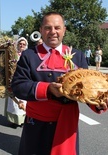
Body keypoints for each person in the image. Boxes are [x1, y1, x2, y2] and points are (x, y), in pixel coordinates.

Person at [11, 12, 108, 155]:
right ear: (41, 30)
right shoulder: (29, 55)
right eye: (48, 28)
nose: (53, 32)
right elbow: (18, 86)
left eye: (57, 27)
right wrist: (48, 89)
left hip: (67, 123)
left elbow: (88, 89)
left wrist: (99, 101)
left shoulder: (78, 55)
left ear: (64, 30)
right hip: (37, 123)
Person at [5, 37, 28, 127]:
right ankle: (13, 121)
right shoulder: (14, 55)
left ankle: (22, 120)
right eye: (20, 44)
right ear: (17, 45)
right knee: (14, 101)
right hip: (14, 79)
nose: (21, 45)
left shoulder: (28, 55)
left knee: (24, 100)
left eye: (23, 44)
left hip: (24, 80)